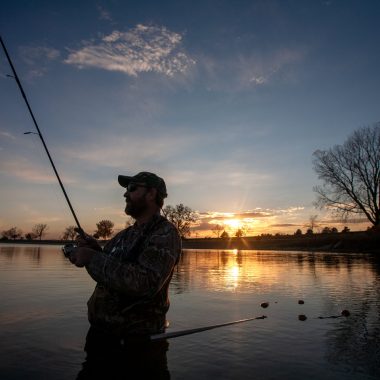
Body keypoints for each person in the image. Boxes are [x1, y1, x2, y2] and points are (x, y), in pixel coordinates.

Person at [69, 172, 181, 378]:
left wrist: (92, 258)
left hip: (137, 348)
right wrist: (94, 250)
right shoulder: (125, 234)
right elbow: (113, 267)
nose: (125, 194)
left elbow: (144, 283)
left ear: (151, 194)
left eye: (132, 188)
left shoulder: (165, 234)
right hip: (100, 338)